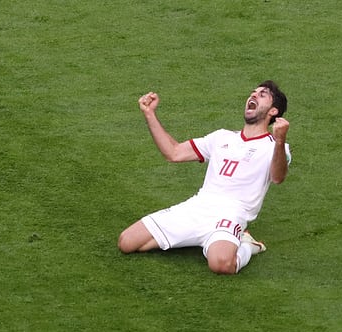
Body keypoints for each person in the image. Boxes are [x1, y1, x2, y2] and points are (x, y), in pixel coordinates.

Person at [118, 80, 291, 274]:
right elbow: (174, 153)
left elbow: (278, 177)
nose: (253, 96)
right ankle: (201, 238)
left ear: (273, 111)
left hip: (230, 215)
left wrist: (280, 140)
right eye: (253, 92)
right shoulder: (221, 137)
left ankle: (248, 245)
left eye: (262, 95)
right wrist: (149, 114)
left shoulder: (275, 147)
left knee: (222, 265)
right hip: (197, 208)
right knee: (127, 242)